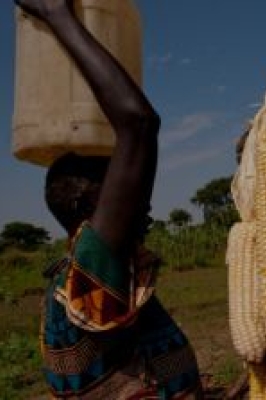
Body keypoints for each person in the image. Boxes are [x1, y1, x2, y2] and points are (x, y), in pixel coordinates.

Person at [13, 0, 203, 398]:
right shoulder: (92, 268)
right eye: (123, 187)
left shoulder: (88, 276)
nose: (145, 202)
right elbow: (138, 122)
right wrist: (57, 15)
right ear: (87, 207)